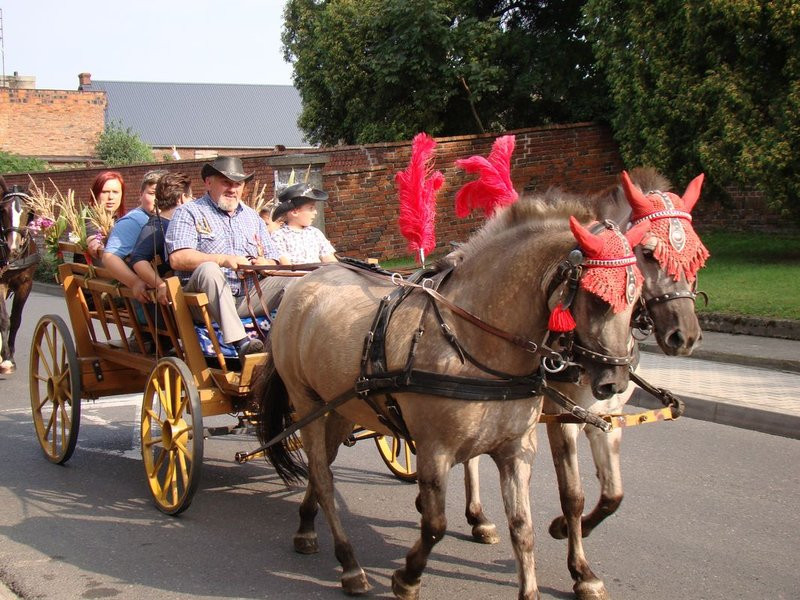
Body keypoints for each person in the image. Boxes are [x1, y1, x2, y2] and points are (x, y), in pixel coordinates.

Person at [165, 157, 281, 360]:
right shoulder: (189, 212)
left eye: (238, 184)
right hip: (201, 302)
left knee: (293, 282)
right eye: (226, 182)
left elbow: (273, 259)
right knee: (210, 269)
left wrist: (265, 264)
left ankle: (286, 342)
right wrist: (223, 259)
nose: (233, 189)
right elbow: (178, 258)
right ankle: (242, 343)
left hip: (247, 295)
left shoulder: (252, 217)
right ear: (208, 183)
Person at [100, 170, 167, 303]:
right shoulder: (133, 221)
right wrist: (135, 282)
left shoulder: (171, 218)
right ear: (141, 195)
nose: (158, 199)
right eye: (152, 193)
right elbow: (109, 257)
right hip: (149, 301)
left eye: (163, 194)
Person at [129, 172, 193, 305]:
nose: (193, 202)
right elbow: (138, 259)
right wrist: (160, 284)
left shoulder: (163, 223)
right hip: (170, 304)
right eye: (191, 197)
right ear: (182, 199)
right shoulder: (158, 225)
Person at [270, 183, 337, 264]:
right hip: (296, 275)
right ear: (295, 212)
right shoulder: (279, 236)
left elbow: (329, 260)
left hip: (319, 275)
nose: (315, 212)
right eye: (311, 208)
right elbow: (286, 264)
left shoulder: (315, 233)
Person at [84, 171, 125, 262]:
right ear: (95, 194)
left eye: (115, 192)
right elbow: (92, 234)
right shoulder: (90, 217)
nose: (110, 197)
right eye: (105, 192)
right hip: (102, 274)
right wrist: (94, 241)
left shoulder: (120, 220)